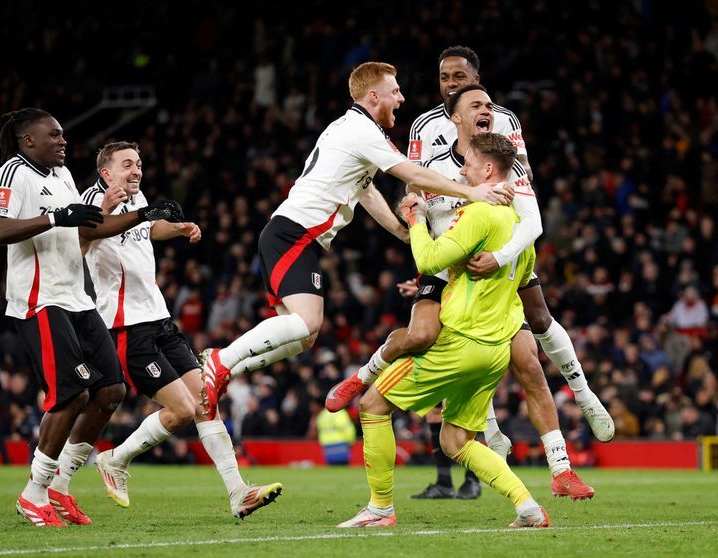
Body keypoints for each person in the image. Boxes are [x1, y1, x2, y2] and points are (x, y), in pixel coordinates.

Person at [200, 62, 513, 419]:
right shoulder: (362, 131)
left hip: (294, 234)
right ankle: (220, 360)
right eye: (395, 92)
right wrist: (472, 193)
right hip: (294, 232)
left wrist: (403, 231)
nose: (401, 98)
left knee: (302, 338)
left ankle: (227, 372)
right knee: (306, 323)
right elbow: (411, 173)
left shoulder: (350, 130)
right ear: (373, 95)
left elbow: (366, 192)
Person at [329, 86, 596, 500]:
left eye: (488, 105)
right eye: (477, 105)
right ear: (452, 117)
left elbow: (533, 222)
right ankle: (362, 376)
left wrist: (502, 255)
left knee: (528, 361)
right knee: (420, 336)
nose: (487, 111)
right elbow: (413, 203)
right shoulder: (436, 164)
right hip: (442, 261)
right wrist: (415, 226)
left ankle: (561, 466)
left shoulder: (506, 170)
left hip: (489, 266)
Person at [0, 108, 185, 527]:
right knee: (71, 393)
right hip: (41, 300)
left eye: (62, 135)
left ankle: (59, 487)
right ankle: (34, 492)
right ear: (28, 141)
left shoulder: (62, 178)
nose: (62, 141)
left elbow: (89, 229)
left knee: (111, 390)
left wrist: (145, 215)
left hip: (78, 298)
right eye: (53, 135)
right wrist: (57, 217)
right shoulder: (11, 174)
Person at [338, 133, 548, 529]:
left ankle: (380, 508)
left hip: (459, 342)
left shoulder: (479, 215)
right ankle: (527, 507)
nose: (462, 170)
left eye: (467, 162)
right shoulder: (520, 227)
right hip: (494, 351)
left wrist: (416, 220)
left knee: (372, 406)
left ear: (488, 169)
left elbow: (428, 257)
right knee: (455, 441)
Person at [81, 141, 282, 519]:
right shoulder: (93, 202)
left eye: (139, 163)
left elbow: (145, 230)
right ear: (106, 172)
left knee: (205, 400)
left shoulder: (134, 205)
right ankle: (114, 459)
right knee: (182, 409)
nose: (136, 170)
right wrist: (119, 214)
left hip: (159, 319)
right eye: (127, 164)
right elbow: (84, 237)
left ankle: (239, 492)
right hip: (127, 326)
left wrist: (175, 228)